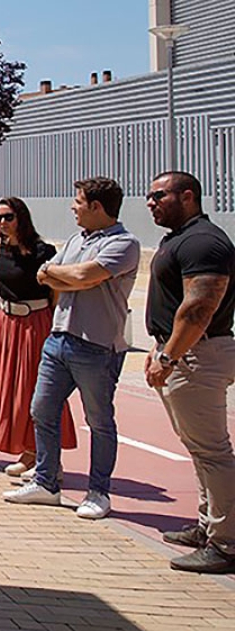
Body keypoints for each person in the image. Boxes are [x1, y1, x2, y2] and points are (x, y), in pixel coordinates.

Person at [3, 177, 140, 520]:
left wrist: (64, 275)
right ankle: (47, 483)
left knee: (99, 421)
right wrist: (64, 274)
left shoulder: (124, 243)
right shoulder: (77, 239)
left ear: (96, 207)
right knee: (42, 410)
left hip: (97, 346)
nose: (72, 207)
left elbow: (80, 276)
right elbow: (45, 274)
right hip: (58, 339)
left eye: (78, 202)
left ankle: (99, 492)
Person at [143, 171, 235, 574]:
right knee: (201, 450)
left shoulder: (202, 241)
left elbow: (200, 307)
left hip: (197, 355)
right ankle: (208, 526)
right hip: (184, 352)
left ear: (188, 196)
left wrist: (170, 356)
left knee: (213, 453)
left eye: (159, 195)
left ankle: (227, 542)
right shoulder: (183, 237)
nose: (151, 202)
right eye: (148, 196)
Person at [0, 197, 76, 477]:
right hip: (7, 323)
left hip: (35, 323)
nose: (2, 223)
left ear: (21, 218)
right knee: (10, 388)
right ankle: (28, 453)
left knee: (36, 388)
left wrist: (52, 324)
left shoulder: (42, 251)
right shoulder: (0, 247)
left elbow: (55, 291)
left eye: (8, 217)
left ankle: (50, 458)